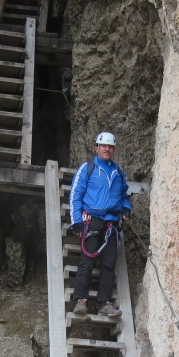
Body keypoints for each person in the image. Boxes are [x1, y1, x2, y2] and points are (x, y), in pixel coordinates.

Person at [68, 132, 132, 317]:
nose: (107, 149)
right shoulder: (87, 168)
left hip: (111, 223)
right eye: (104, 146)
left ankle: (104, 303)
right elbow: (75, 195)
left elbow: (124, 196)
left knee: (108, 265)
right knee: (86, 262)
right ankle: (80, 300)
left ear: (113, 149)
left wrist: (126, 209)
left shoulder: (118, 172)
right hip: (92, 220)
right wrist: (77, 222)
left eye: (110, 147)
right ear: (96, 147)